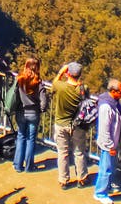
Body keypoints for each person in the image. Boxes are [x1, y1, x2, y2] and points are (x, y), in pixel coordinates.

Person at [51, 61, 89, 189]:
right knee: (79, 152)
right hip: (77, 125)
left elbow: (54, 83)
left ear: (68, 73)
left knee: (63, 153)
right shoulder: (83, 89)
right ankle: (81, 178)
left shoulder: (60, 86)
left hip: (61, 123)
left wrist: (61, 71)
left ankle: (63, 180)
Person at [12, 57, 48, 173]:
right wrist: (41, 109)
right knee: (31, 139)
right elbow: (43, 101)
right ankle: (29, 166)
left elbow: (15, 95)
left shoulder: (20, 79)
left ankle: (17, 165)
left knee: (21, 137)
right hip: (33, 113)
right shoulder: (38, 82)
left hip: (21, 112)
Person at [94, 79, 121, 204]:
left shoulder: (114, 102)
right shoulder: (106, 107)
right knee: (106, 168)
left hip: (112, 141)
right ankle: (100, 193)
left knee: (109, 167)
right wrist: (110, 146)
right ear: (113, 91)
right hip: (109, 143)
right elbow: (104, 128)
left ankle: (103, 189)